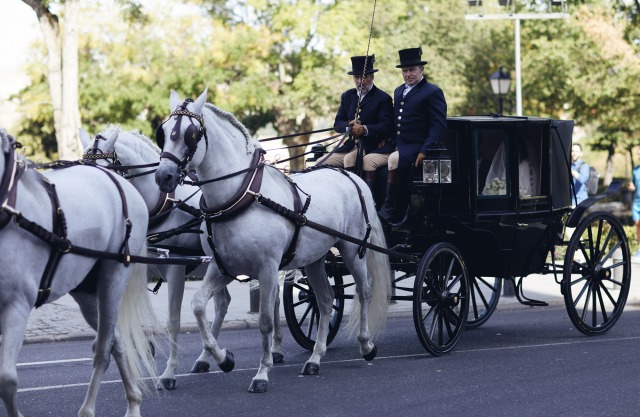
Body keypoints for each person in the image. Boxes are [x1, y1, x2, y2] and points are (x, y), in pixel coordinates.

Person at [378, 46, 447, 225]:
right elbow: (396, 120)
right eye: (405, 71)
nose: (408, 74)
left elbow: (438, 125)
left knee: (393, 160)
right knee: (368, 159)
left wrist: (425, 150)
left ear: (421, 69)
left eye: (412, 70)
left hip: (417, 146)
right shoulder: (399, 91)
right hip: (399, 144)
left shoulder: (432, 92)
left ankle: (390, 209)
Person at [318, 54, 394, 197]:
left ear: (372, 77)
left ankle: (357, 200)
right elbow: (337, 123)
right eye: (357, 77)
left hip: (371, 146)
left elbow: (387, 126)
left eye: (364, 77)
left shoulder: (383, 98)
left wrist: (364, 129)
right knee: (319, 162)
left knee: (349, 159)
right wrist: (349, 126)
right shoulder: (347, 96)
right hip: (349, 145)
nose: (360, 81)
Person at [628, 148, 640, 259]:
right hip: (637, 202)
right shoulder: (636, 169)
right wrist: (631, 186)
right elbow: (633, 183)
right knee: (637, 224)